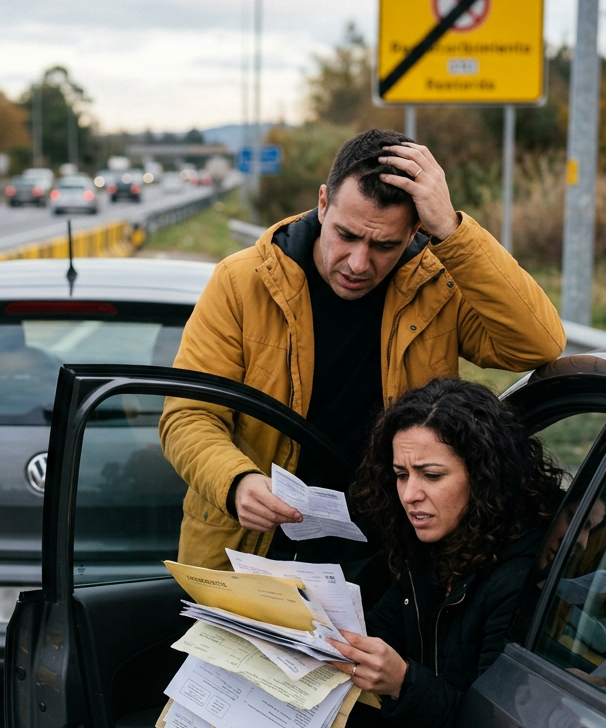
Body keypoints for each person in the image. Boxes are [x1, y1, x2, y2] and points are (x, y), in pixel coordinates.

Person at [159, 128, 566, 573]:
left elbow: (536, 343)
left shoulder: (437, 286)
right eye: (346, 235)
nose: (358, 262)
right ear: (322, 204)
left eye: (384, 245)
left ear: (415, 230)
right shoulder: (242, 283)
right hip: (252, 550)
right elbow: (188, 415)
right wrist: (235, 482)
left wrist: (452, 231)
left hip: (391, 559)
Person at [304, 378, 566, 728]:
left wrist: (403, 684)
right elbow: (384, 625)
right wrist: (307, 626)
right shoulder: (434, 542)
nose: (409, 495)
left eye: (431, 475)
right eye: (400, 474)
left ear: (484, 475)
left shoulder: (523, 575)